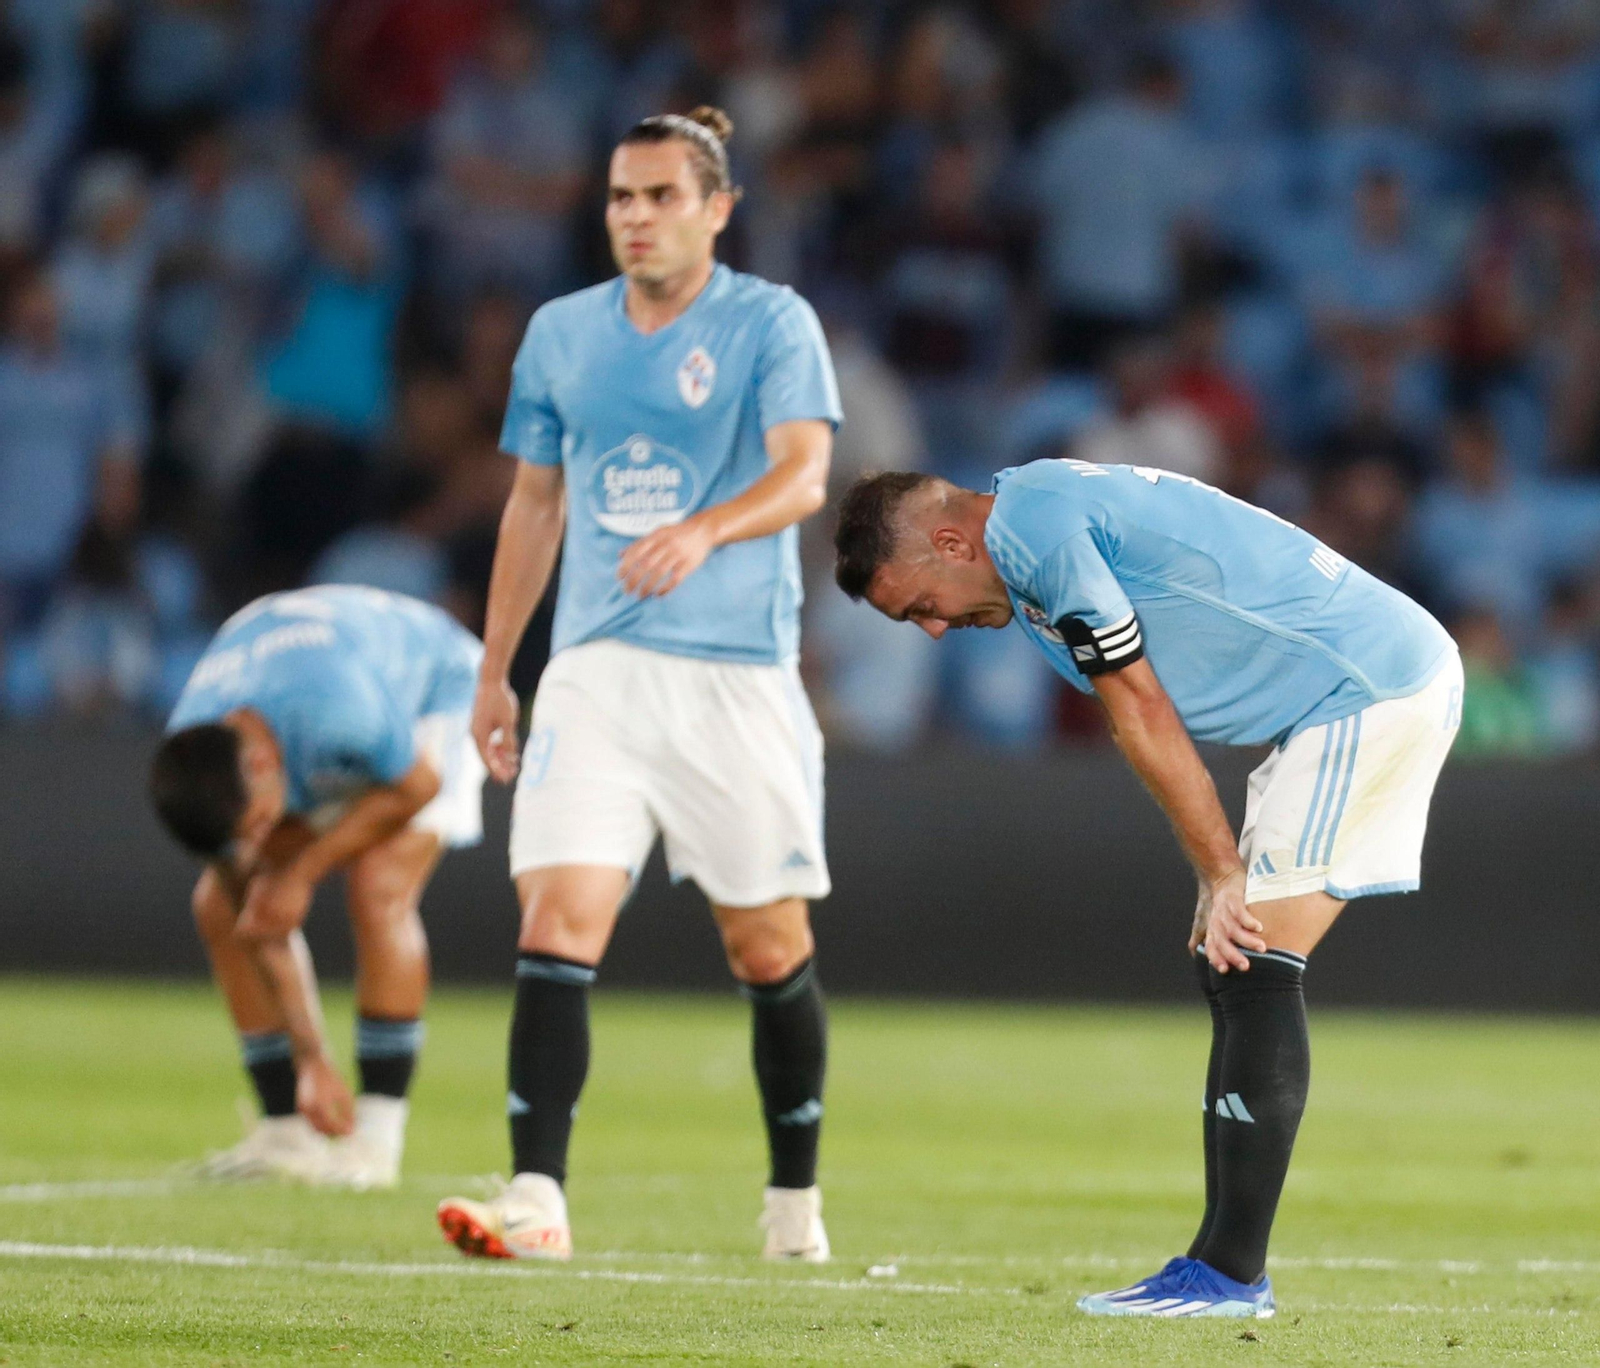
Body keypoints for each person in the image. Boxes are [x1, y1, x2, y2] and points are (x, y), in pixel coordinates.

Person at [833, 459, 1462, 1318]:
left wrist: (1220, 870)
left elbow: (1139, 704)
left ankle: (1231, 1276)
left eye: (919, 607)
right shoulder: (1031, 527)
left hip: (1364, 691)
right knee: (1235, 958)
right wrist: (1218, 872)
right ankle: (1215, 1264)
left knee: (1254, 959)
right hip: (1334, 700)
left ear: (950, 542)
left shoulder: (1035, 532)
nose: (934, 631)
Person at [434, 107, 840, 1263]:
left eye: (662, 197)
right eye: (621, 196)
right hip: (595, 672)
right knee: (558, 919)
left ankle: (792, 1207)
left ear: (717, 209)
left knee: (766, 947)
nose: (636, 217)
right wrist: (497, 668)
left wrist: (706, 531)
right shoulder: (561, 333)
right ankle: (537, 1200)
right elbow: (535, 502)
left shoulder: (771, 322)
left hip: (733, 678)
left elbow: (805, 474)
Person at [148, 584, 486, 1188]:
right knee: (221, 905)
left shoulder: (340, 709)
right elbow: (262, 919)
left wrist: (301, 871)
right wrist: (313, 1060)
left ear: (258, 764)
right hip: (319, 707)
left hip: (433, 690)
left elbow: (417, 787)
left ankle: (377, 1141)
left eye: (255, 824)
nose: (257, 843)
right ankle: (285, 1133)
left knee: (379, 886)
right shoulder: (196, 742)